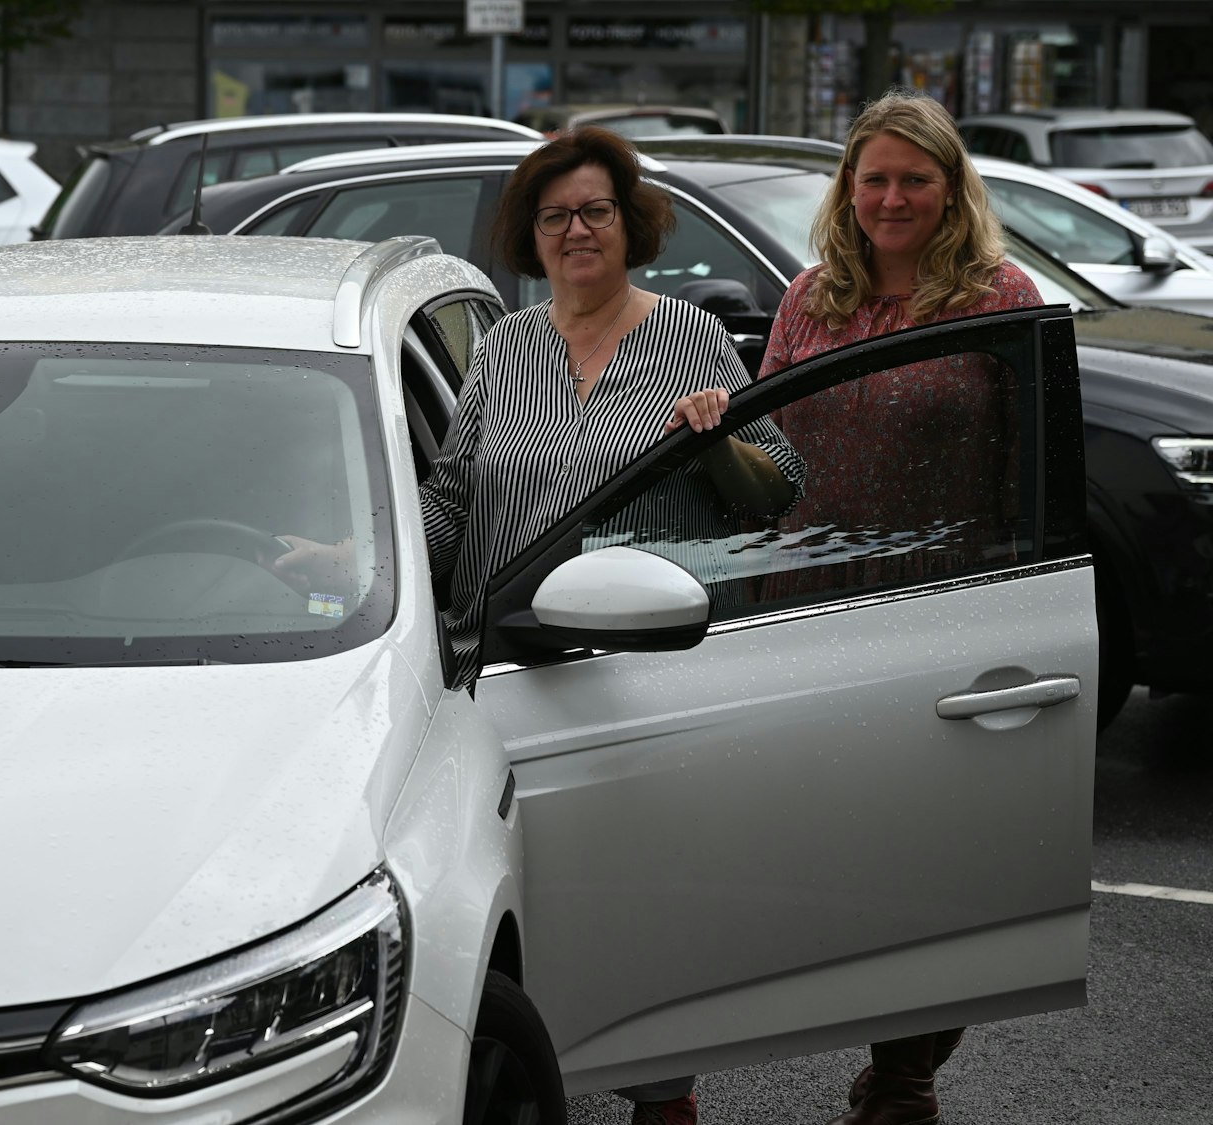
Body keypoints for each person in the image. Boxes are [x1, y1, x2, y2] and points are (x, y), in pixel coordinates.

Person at [273, 126, 805, 1125]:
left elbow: (776, 485)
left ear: (629, 220)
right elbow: (449, 499)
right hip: (502, 666)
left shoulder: (689, 336)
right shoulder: (505, 347)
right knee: (524, 897)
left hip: (633, 668)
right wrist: (354, 560)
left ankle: (662, 1087)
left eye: (594, 210)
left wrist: (714, 443)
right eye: (554, 214)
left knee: (644, 893)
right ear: (531, 232)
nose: (575, 230)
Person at [757, 90, 1042, 1125]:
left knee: (935, 859)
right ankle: (893, 1056)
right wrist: (705, 423)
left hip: (945, 611)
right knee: (839, 848)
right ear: (846, 188)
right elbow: (767, 457)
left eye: (912, 179)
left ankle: (906, 1071)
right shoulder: (806, 297)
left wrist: (1028, 603)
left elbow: (1032, 469)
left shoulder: (996, 298)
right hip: (809, 609)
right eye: (871, 178)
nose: (889, 197)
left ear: (948, 188)